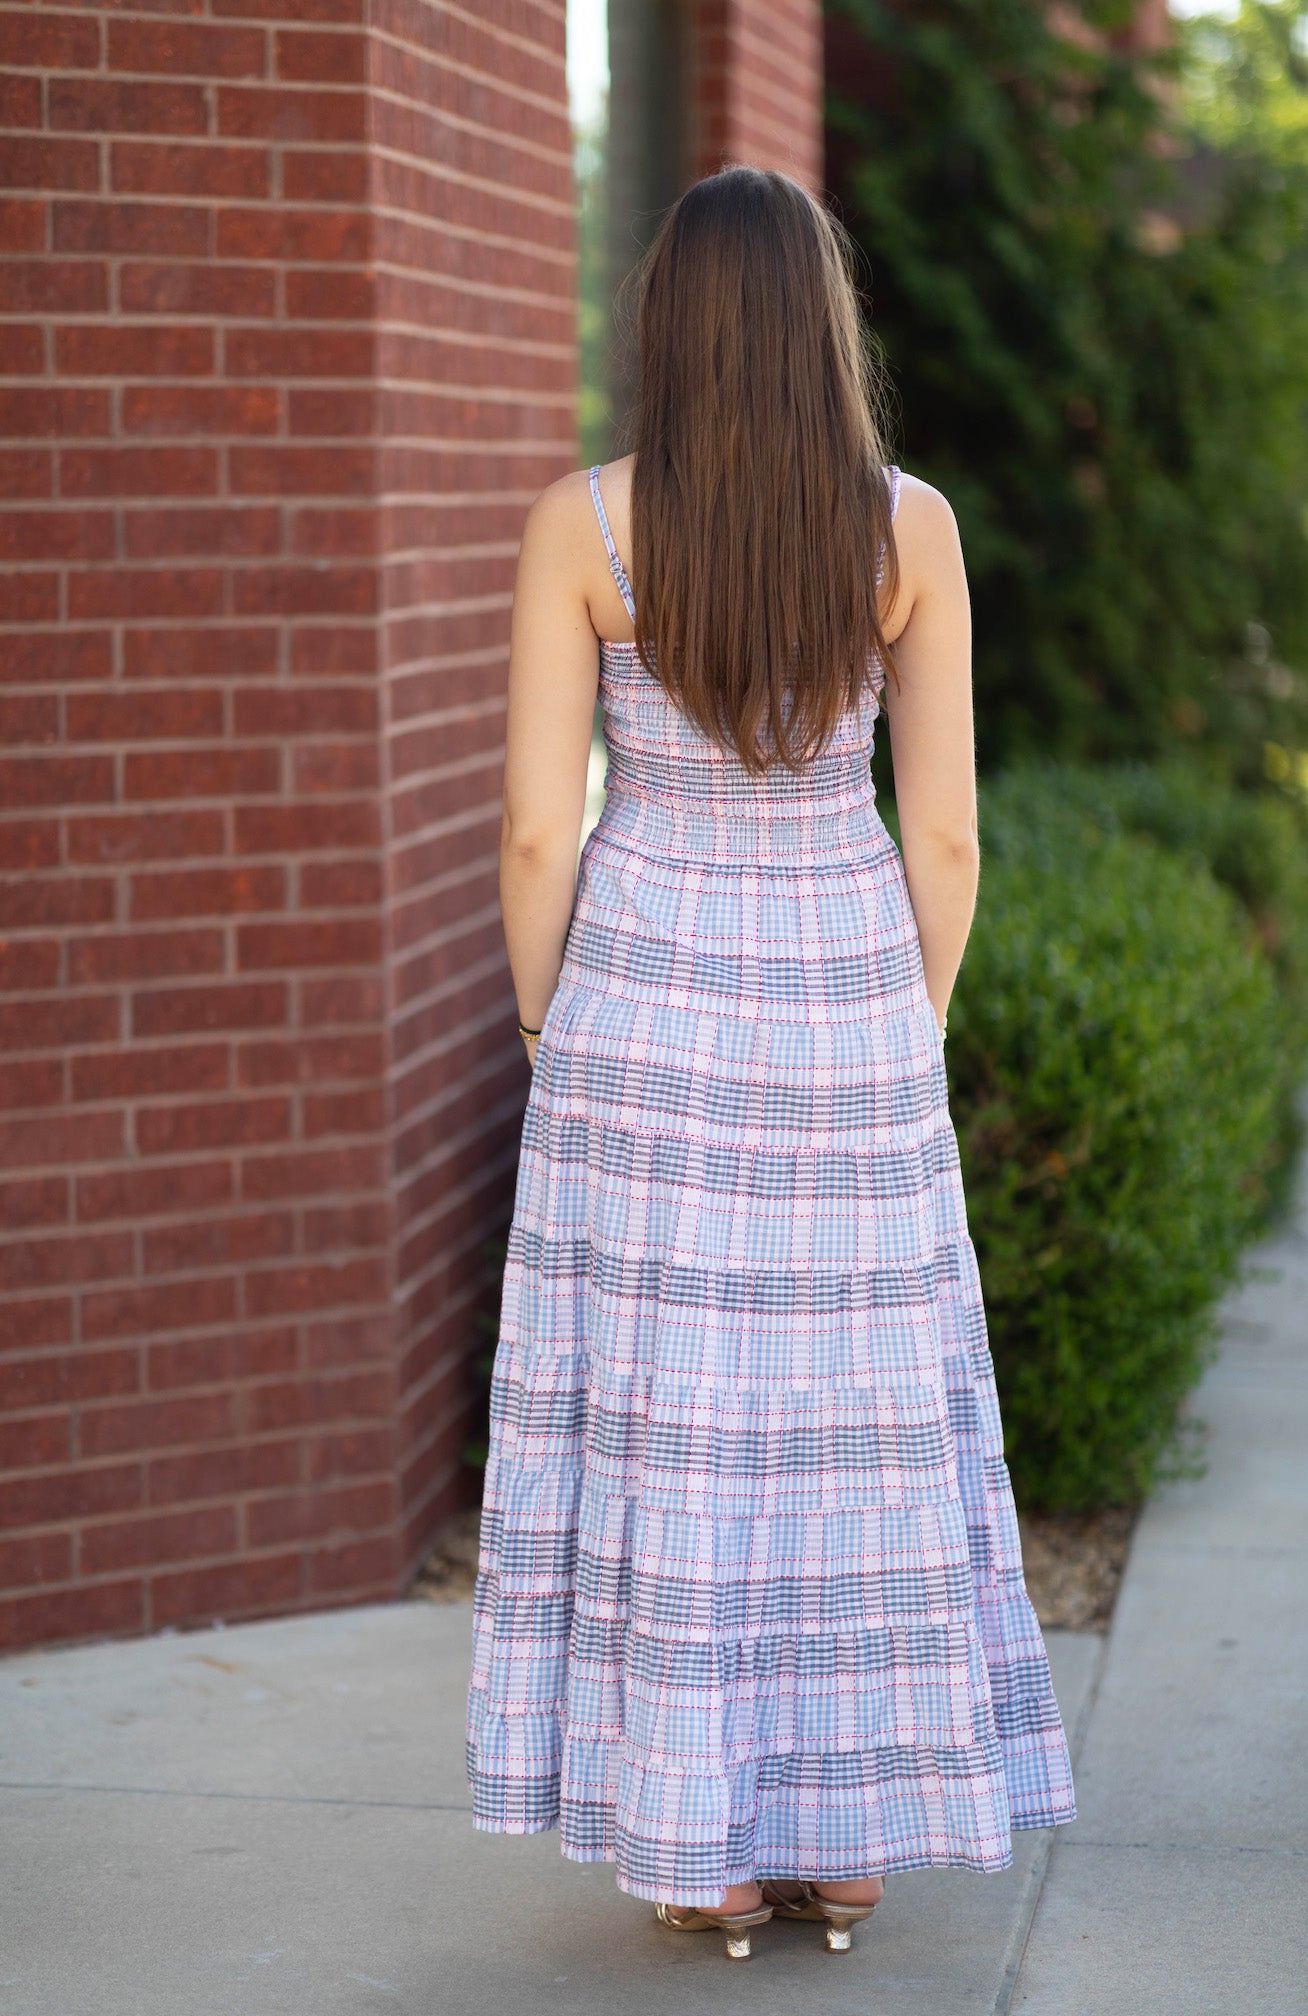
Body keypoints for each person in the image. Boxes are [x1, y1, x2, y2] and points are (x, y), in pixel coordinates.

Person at [465, 163, 1076, 1965]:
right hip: (844, 999)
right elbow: (945, 833)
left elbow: (535, 830)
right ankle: (851, 1839)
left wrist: (542, 1019)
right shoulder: (910, 532)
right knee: (849, 1411)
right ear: (826, 328)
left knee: (679, 1416)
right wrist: (910, 1022)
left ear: (668, 325)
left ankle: (706, 1849)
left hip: (642, 1006)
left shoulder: (584, 527)